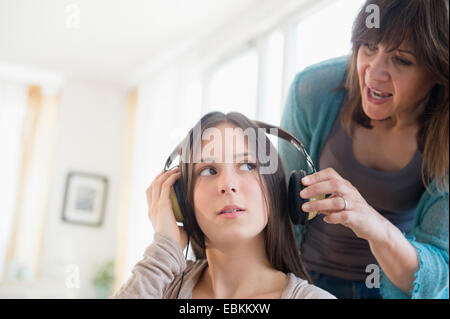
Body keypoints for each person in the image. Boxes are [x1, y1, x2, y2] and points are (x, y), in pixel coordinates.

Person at [278, 0, 449, 299]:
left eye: (402, 60)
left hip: (393, 289)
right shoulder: (313, 91)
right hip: (304, 278)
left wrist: (369, 222)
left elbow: (437, 281)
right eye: (368, 46)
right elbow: (280, 208)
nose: (374, 72)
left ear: (437, 70)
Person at [111, 111, 335, 299]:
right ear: (180, 200)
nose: (227, 185)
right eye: (208, 170)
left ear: (276, 188)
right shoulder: (158, 287)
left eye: (247, 166)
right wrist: (163, 251)